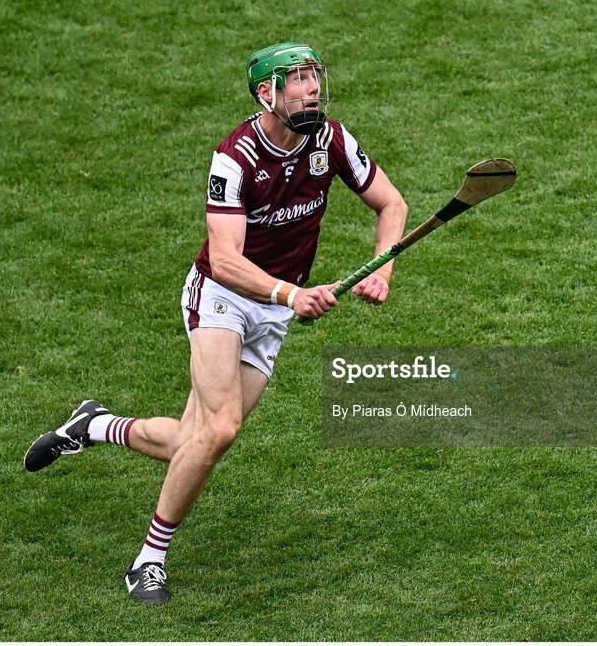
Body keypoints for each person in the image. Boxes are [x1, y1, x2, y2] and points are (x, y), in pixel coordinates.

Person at [23, 43, 408, 605]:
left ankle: (94, 425)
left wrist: (383, 269)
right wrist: (290, 293)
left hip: (274, 309)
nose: (311, 89)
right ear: (266, 94)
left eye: (313, 79)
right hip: (222, 298)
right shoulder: (235, 157)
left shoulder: (331, 140)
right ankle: (148, 560)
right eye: (296, 81)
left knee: (192, 440)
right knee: (222, 428)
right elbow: (226, 259)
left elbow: (391, 204)